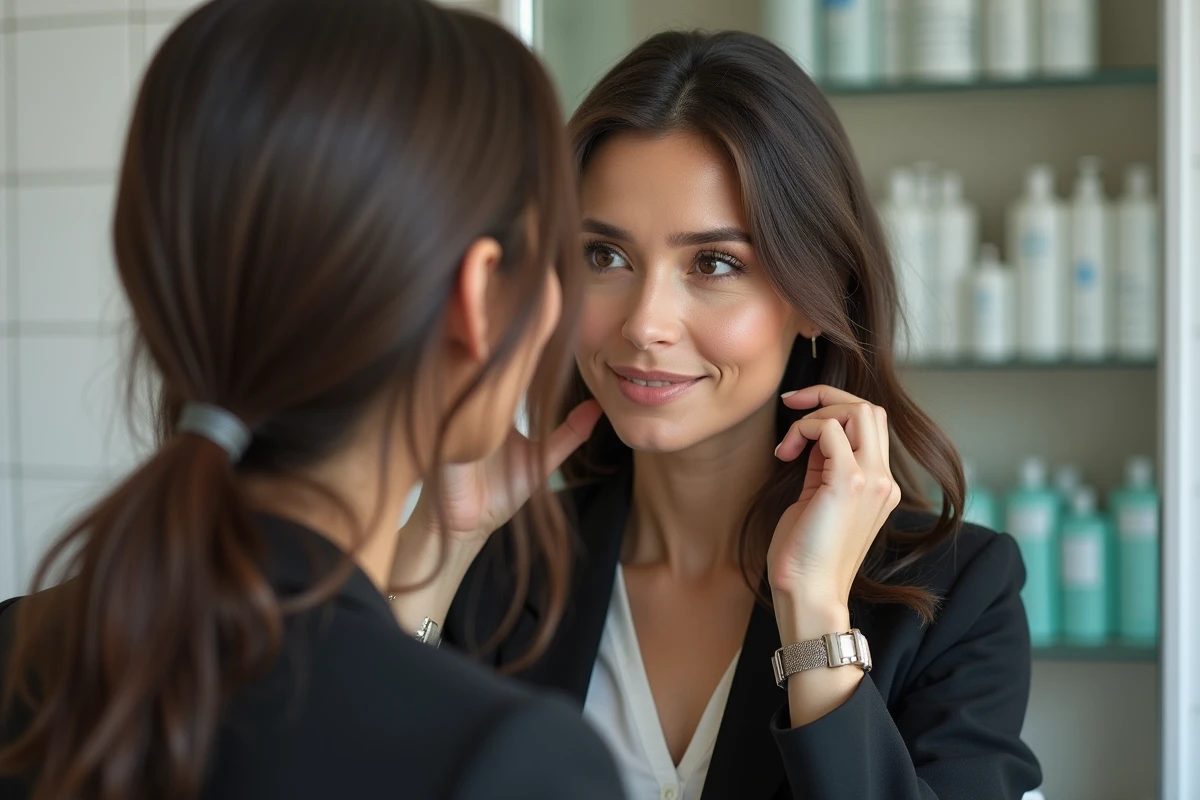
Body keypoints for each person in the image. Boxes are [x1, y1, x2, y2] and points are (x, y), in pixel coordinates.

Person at [0, 1, 625, 798]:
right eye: (581, 255)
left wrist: (443, 540)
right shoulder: (514, 762)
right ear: (476, 297)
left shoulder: (25, 651)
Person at [420, 30, 1043, 800]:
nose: (646, 323)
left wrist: (814, 616)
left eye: (713, 264)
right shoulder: (500, 567)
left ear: (818, 296)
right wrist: (441, 555)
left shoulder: (955, 597)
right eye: (603, 257)